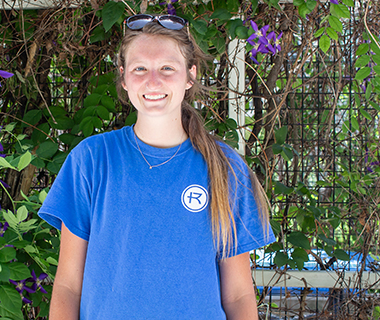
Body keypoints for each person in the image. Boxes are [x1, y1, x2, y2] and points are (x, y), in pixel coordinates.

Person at [39, 13, 276, 319]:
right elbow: (69, 287)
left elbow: (239, 295)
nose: (153, 81)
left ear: (189, 75)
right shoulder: (91, 160)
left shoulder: (225, 166)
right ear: (124, 77)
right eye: (140, 68)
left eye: (167, 68)